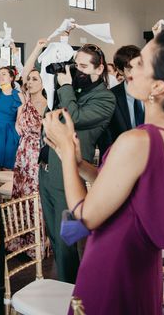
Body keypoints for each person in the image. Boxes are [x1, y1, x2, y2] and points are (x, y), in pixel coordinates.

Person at [43, 25, 164, 314]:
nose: (130, 66)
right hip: (143, 266)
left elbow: (84, 217)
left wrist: (66, 157)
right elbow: (131, 190)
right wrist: (76, 159)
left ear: (158, 87)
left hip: (110, 266)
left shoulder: (138, 140)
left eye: (141, 62)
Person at [39, 43, 115, 283]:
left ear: (99, 68)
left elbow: (74, 118)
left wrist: (66, 86)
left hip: (69, 177)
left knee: (68, 241)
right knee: (54, 236)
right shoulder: (75, 90)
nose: (77, 70)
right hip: (48, 171)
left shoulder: (105, 97)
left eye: (83, 66)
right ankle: (64, 286)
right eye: (76, 65)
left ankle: (71, 293)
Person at [7, 53, 48, 255]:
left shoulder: (47, 105)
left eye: (35, 79)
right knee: (21, 195)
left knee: (35, 196)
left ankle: (36, 245)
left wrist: (38, 48)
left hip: (38, 155)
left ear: (43, 82)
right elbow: (18, 128)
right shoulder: (23, 105)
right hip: (22, 155)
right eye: (29, 79)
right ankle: (20, 242)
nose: (30, 82)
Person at [103, 45, 144, 150]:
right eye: (130, 69)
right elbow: (107, 138)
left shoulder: (155, 93)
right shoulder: (110, 96)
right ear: (120, 71)